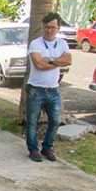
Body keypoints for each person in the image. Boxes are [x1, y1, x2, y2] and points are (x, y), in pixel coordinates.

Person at [25, 12, 72, 162]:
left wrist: (50, 60)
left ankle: (47, 147)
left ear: (58, 28)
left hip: (53, 89)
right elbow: (38, 64)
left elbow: (69, 60)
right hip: (35, 89)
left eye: (52, 27)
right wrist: (58, 61)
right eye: (46, 27)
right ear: (43, 27)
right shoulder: (36, 44)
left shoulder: (62, 43)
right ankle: (33, 149)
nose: (49, 30)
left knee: (55, 120)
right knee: (32, 121)